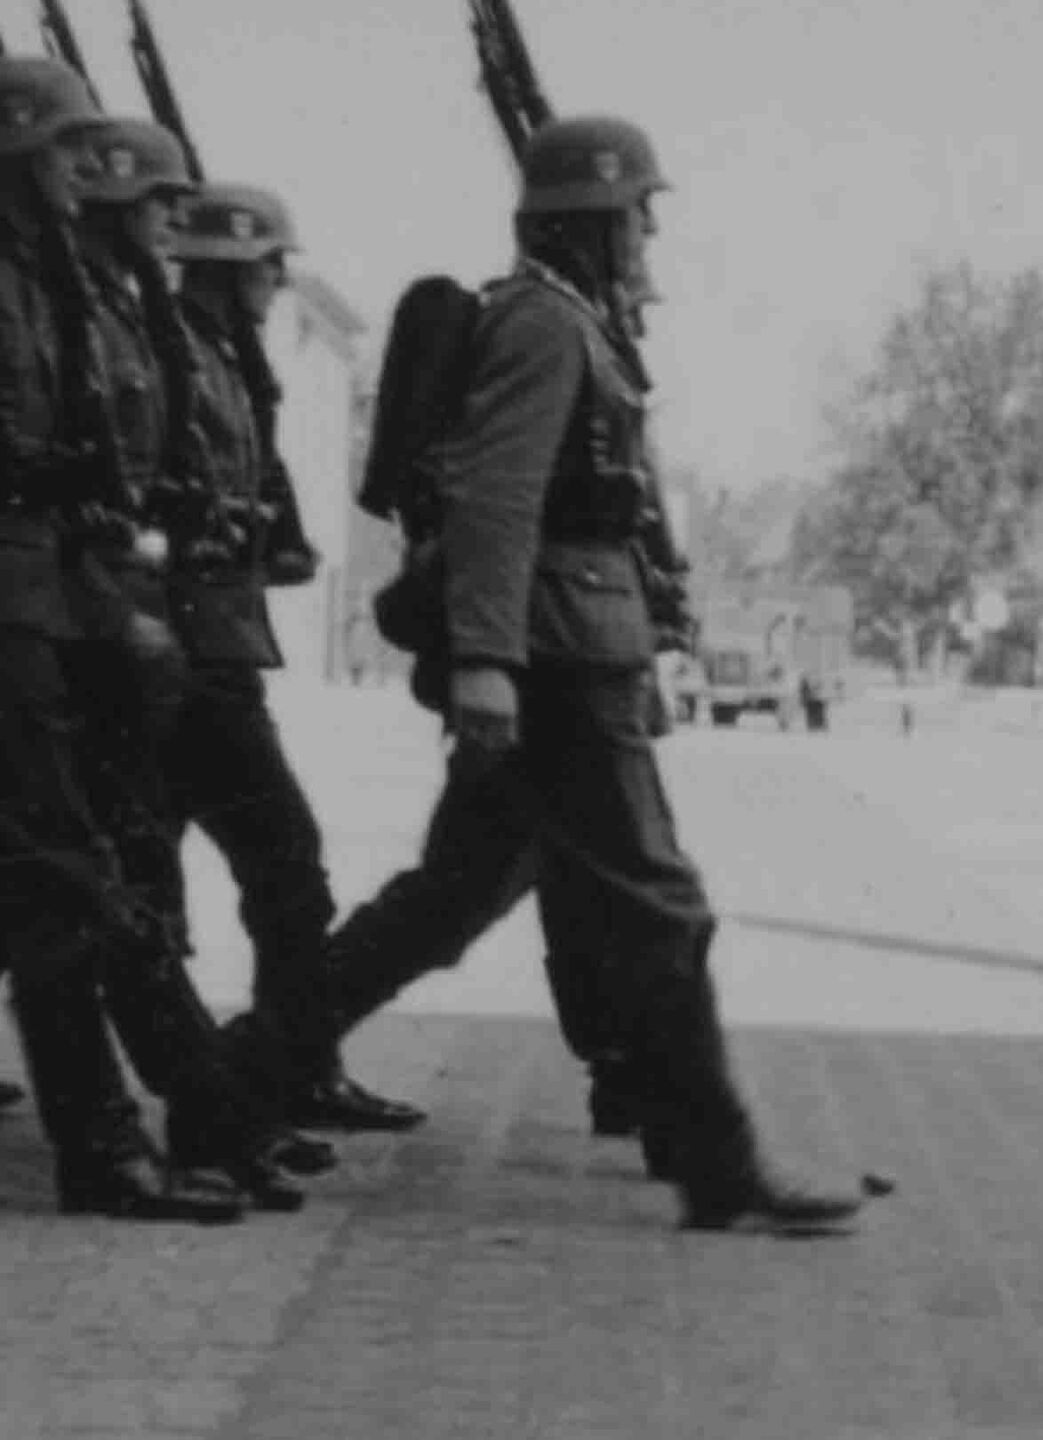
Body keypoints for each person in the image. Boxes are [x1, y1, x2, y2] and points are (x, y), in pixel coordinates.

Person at [224, 115, 886, 1232]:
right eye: (637, 216)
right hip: (558, 666)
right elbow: (498, 495)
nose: (647, 237)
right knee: (659, 906)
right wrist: (486, 661)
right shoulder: (542, 323)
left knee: (448, 903)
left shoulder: (575, 321)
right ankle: (720, 1166)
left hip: (570, 652)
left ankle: (229, 1078)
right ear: (590, 218)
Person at [0, 65, 317, 1222]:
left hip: (68, 607)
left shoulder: (61, 291)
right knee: (63, 886)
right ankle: (110, 1146)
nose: (82, 175)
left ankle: (209, 1123)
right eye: (64, 153)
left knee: (107, 882)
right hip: (24, 612)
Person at [157, 180, 424, 1137]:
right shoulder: (174, 353)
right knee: (265, 869)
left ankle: (286, 1075)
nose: (279, 283)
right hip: (172, 662)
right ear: (230, 271)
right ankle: (259, 1088)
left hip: (215, 653)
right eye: (269, 266)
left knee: (262, 873)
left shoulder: (231, 361)